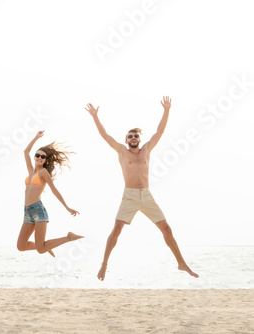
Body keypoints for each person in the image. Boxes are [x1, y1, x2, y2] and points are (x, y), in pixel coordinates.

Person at [85, 96, 199, 281]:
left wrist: (167, 110)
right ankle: (104, 264)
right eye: (130, 136)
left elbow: (160, 131)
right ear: (126, 139)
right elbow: (105, 136)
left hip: (146, 195)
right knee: (116, 230)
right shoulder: (122, 151)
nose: (133, 138)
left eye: (135, 136)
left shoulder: (146, 149)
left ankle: (181, 263)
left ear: (139, 139)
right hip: (129, 196)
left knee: (167, 229)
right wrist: (95, 116)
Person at [17, 131, 83, 256]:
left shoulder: (43, 172)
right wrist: (36, 137)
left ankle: (68, 237)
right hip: (27, 211)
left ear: (46, 160)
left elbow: (54, 190)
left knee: (40, 249)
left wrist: (67, 207)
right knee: (21, 246)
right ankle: (47, 245)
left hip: (38, 210)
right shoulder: (31, 171)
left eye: (43, 157)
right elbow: (25, 152)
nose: (39, 158)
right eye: (38, 155)